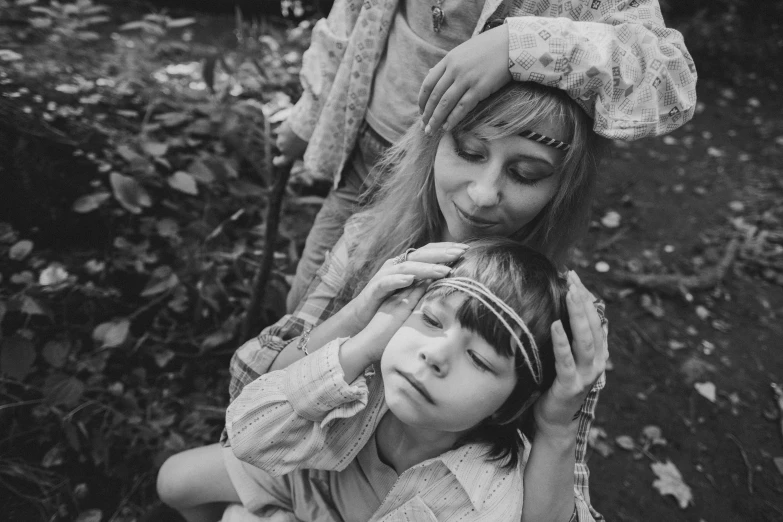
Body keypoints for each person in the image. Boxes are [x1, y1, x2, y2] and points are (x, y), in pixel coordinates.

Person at [158, 81, 611, 521]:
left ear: (562, 188)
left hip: (409, 502)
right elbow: (249, 390)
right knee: (177, 482)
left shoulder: (564, 318)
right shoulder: (368, 240)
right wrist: (358, 317)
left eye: (525, 174)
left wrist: (557, 427)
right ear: (433, 143)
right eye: (470, 152)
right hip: (316, 460)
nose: (482, 193)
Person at [280, 0, 698, 311]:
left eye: (529, 174)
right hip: (362, 159)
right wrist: (308, 117)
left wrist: (520, 47)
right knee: (310, 303)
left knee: (430, 325)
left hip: (476, 203)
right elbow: (350, 20)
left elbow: (670, 79)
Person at [158, 238, 596, 521]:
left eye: (480, 360)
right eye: (429, 319)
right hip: (303, 476)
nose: (435, 355)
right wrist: (361, 345)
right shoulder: (363, 376)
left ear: (510, 405)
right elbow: (247, 435)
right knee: (175, 481)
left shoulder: (484, 492)